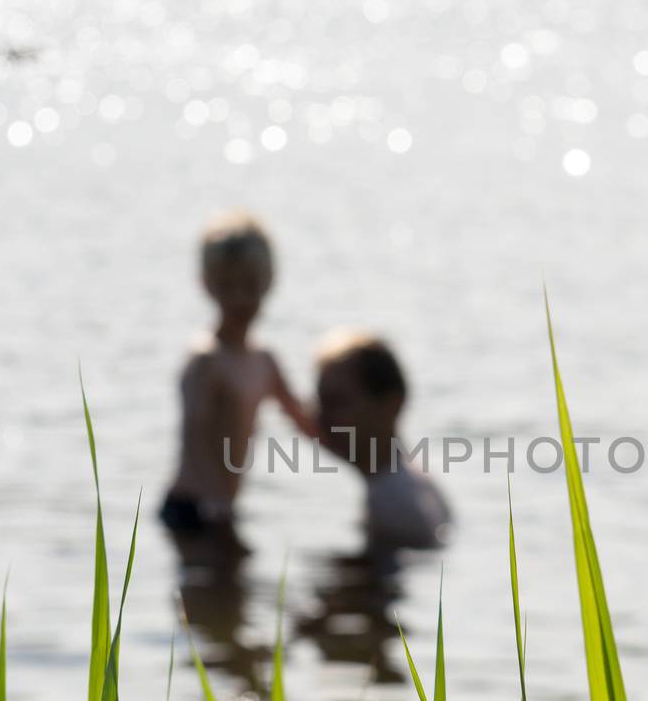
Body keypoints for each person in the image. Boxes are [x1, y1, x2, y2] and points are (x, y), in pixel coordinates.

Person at [161, 211, 315, 553]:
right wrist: (215, 503)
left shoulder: (264, 361)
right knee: (204, 599)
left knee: (235, 600)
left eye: (250, 285)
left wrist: (370, 451)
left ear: (269, 282)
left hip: (225, 509)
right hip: (192, 507)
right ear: (207, 284)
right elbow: (196, 436)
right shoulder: (205, 359)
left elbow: (306, 422)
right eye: (227, 287)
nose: (240, 299)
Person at [314, 330, 451, 553]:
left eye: (337, 403)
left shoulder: (392, 502)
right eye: (320, 402)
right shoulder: (409, 479)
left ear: (391, 404)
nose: (321, 419)